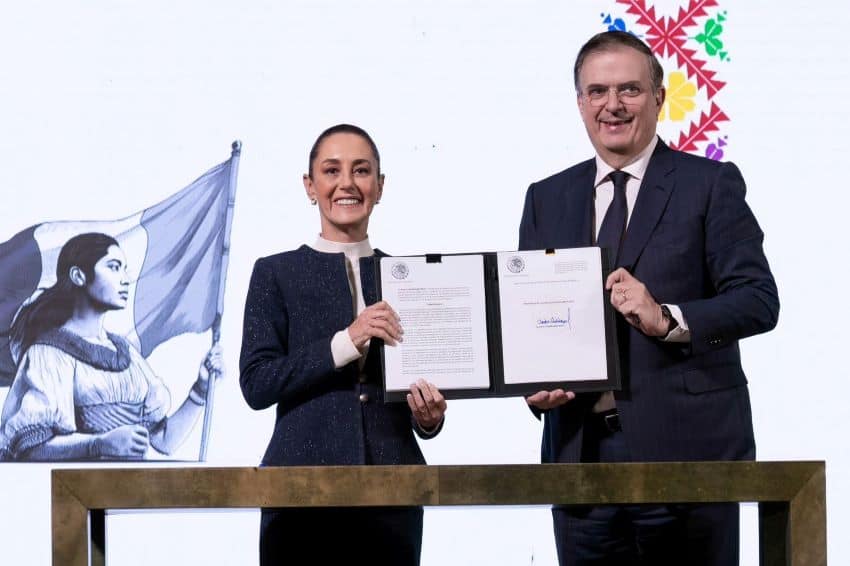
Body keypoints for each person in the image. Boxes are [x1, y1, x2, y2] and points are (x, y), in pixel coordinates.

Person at [520, 31, 779, 565]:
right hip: (580, 460)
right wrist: (532, 382)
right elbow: (531, 321)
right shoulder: (546, 197)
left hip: (689, 456)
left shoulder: (709, 183)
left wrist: (666, 319)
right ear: (579, 103)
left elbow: (758, 299)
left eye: (629, 90)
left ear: (659, 97)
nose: (612, 106)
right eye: (597, 92)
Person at [239, 123, 447, 566]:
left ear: (380, 185)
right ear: (310, 186)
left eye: (362, 170)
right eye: (332, 171)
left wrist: (427, 419)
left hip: (393, 486)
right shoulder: (276, 273)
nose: (347, 183)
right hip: (298, 487)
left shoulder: (410, 277)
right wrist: (346, 341)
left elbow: (419, 385)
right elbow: (257, 384)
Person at [0, 232, 222, 461]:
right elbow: (31, 448)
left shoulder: (125, 353)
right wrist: (99, 444)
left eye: (124, 268)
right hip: (78, 492)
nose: (125, 279)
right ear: (78, 275)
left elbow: (163, 441)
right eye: (114, 267)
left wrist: (201, 389)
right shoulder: (48, 354)